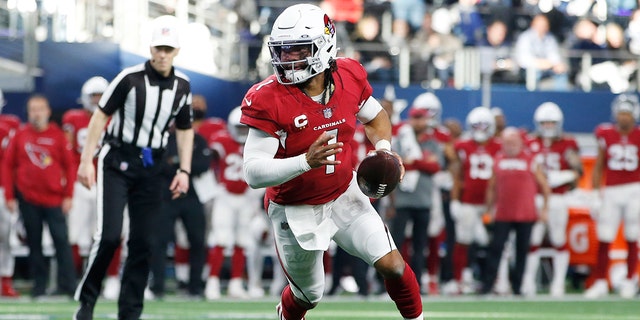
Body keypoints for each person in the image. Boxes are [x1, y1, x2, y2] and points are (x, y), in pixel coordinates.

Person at [240, 4, 423, 320]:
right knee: (309, 294)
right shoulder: (268, 97)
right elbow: (253, 173)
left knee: (392, 265)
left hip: (343, 192)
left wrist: (383, 149)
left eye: (297, 50)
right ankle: (287, 311)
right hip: (295, 208)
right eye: (282, 52)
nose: (287, 60)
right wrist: (305, 162)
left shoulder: (349, 74)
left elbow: (376, 116)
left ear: (324, 47)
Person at [73, 15, 194, 320]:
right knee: (110, 236)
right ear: (150, 48)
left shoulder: (182, 85)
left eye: (168, 48)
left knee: (144, 242)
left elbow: (185, 128)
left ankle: (130, 313)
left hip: (151, 167)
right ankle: (86, 302)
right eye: (158, 48)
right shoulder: (129, 78)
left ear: (177, 50)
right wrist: (86, 161)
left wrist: (185, 171)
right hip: (115, 160)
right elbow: (100, 116)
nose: (163, 54)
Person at [1, 94, 77, 298]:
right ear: (28, 112)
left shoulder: (58, 135)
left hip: (54, 199)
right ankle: (39, 287)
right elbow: (8, 166)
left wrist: (69, 194)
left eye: (40, 109)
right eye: (33, 109)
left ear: (48, 111)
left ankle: (68, 285)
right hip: (28, 198)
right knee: (34, 244)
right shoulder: (20, 135)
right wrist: (10, 195)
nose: (36, 113)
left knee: (61, 242)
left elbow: (69, 166)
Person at [62, 76, 126, 300]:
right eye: (94, 96)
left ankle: (112, 279)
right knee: (76, 233)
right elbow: (66, 149)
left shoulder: (117, 118)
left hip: (107, 180)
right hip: (81, 182)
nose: (97, 100)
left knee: (109, 233)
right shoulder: (73, 118)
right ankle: (77, 279)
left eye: (101, 95)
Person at [521, 102, 582, 297]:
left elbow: (577, 171)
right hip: (534, 197)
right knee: (533, 240)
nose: (548, 126)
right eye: (544, 123)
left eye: (551, 122)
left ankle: (558, 284)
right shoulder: (529, 141)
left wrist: (561, 177)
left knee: (558, 238)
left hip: (557, 198)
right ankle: (528, 281)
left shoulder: (567, 143)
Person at [480, 127, 550, 295]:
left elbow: (545, 187)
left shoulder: (531, 160)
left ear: (520, 142)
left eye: (513, 142)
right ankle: (488, 286)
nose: (510, 145)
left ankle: (518, 287)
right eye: (507, 142)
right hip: (503, 213)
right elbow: (491, 187)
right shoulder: (498, 159)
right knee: (496, 248)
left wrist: (545, 209)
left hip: (525, 213)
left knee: (521, 250)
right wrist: (488, 209)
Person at [390, 92, 448, 295]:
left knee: (420, 244)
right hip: (403, 200)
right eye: (415, 118)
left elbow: (436, 167)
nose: (417, 121)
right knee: (396, 243)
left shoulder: (432, 142)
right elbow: (395, 164)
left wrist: (415, 163)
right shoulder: (401, 140)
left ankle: (417, 283)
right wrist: (422, 162)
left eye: (420, 118)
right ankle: (393, 283)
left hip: (423, 200)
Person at [584, 94, 640, 299]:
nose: (624, 118)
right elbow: (599, 164)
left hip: (635, 188)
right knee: (605, 236)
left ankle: (629, 280)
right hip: (612, 190)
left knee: (633, 236)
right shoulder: (605, 133)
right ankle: (600, 281)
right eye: (621, 113)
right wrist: (596, 194)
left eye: (627, 114)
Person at [204, 106, 261, 300]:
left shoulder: (256, 142)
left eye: (245, 128)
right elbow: (208, 163)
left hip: (246, 196)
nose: (243, 132)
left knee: (241, 241)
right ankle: (212, 282)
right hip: (225, 196)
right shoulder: (221, 140)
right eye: (240, 128)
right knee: (220, 239)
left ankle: (235, 283)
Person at [148, 125, 211, 299]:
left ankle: (195, 287)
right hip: (166, 195)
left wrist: (175, 162)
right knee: (159, 241)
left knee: (198, 241)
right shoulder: (161, 138)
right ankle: (157, 286)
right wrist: (183, 165)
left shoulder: (197, 139)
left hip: (191, 195)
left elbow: (204, 164)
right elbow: (155, 164)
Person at [444, 107, 501, 295]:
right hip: (468, 202)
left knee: (491, 242)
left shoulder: (498, 146)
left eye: (484, 125)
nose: (480, 129)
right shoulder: (462, 146)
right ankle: (459, 280)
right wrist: (454, 200)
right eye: (477, 125)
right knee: (463, 240)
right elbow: (457, 174)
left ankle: (495, 280)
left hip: (490, 204)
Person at [0, 89, 21, 297]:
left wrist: (11, 192)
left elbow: (13, 162)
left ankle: (6, 279)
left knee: (6, 236)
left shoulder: (11, 125)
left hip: (3, 188)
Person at [513, 14, 569, 91]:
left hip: (547, 69)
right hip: (528, 70)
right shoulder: (525, 37)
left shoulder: (550, 38)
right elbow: (524, 60)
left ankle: (560, 99)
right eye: (539, 24)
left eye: (544, 25)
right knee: (534, 72)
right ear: (533, 24)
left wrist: (554, 64)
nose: (542, 27)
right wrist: (542, 64)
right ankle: (534, 98)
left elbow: (555, 57)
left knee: (561, 72)